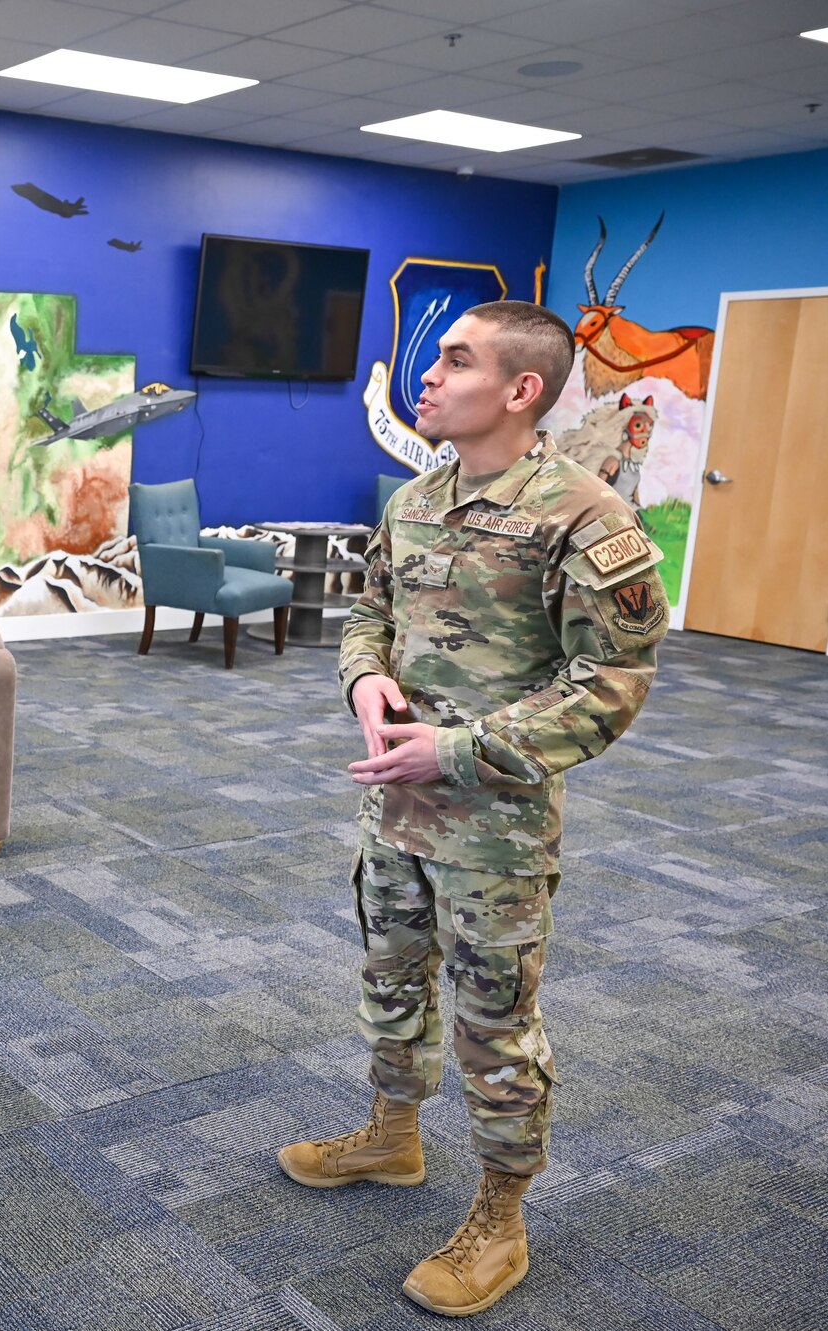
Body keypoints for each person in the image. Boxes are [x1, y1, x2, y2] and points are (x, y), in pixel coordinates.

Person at [275, 301, 669, 1318]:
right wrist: (363, 679)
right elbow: (370, 610)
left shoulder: (585, 517)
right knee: (389, 975)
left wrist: (454, 745)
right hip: (391, 810)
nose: (429, 375)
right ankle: (391, 1133)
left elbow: (611, 681)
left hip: (490, 822)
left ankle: (499, 1211)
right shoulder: (415, 498)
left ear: (520, 389)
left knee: (494, 1022)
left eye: (455, 360)